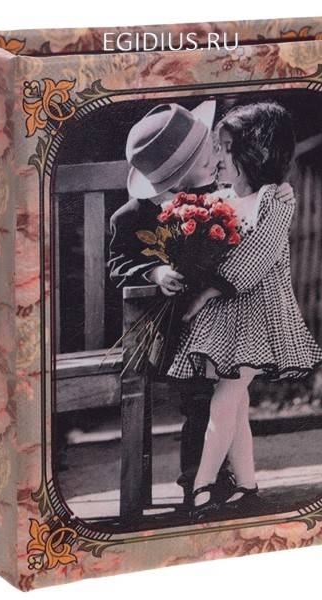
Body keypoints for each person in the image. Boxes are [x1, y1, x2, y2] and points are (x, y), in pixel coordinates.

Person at [166, 102, 322, 519]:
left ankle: (202, 486)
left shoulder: (275, 199)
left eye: (226, 148)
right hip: (226, 319)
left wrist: (206, 291)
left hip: (259, 315)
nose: (218, 157)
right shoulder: (219, 201)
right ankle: (248, 485)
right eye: (217, 147)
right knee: (235, 406)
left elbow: (258, 253)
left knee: (225, 398)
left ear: (257, 152)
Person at [107, 100, 236, 509]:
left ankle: (227, 475)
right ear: (179, 175)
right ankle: (197, 483)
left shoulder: (220, 200)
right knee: (199, 398)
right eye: (206, 158)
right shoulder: (132, 217)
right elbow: (118, 263)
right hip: (173, 330)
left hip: (222, 322)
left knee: (229, 397)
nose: (215, 158)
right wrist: (156, 272)